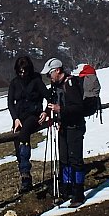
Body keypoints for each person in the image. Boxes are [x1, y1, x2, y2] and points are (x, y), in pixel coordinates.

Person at [39, 57, 87, 206]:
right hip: (63, 127)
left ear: (57, 71)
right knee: (65, 160)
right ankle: (67, 189)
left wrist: (61, 109)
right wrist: (47, 112)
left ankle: (78, 193)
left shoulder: (70, 84)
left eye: (50, 74)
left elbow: (79, 107)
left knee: (75, 160)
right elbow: (52, 101)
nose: (48, 77)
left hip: (74, 127)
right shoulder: (56, 86)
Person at [7, 55, 45, 193]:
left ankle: (25, 172)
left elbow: (47, 95)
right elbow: (10, 103)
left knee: (24, 135)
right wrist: (15, 118)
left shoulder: (36, 80)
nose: (22, 74)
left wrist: (45, 111)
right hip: (19, 117)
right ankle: (25, 178)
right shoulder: (14, 83)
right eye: (20, 71)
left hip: (33, 115)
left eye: (25, 71)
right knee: (18, 144)